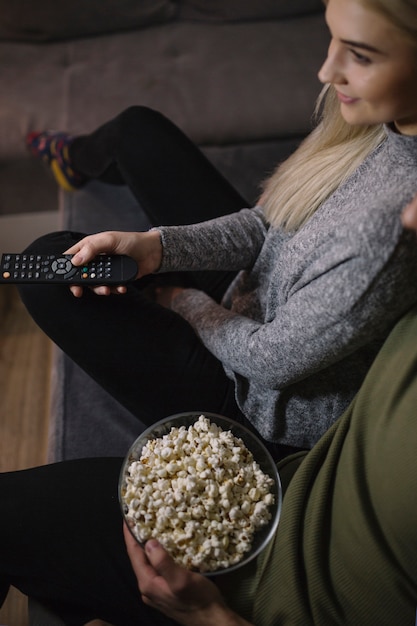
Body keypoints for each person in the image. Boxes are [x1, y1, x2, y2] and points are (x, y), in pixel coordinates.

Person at [1, 2, 417, 623]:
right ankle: (73, 159)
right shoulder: (372, 121)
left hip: (261, 405)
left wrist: (178, 300)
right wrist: (158, 248)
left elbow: (273, 359)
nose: (326, 70)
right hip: (261, 293)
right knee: (138, 132)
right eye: (332, 40)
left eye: (359, 54)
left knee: (47, 276)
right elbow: (268, 222)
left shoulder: (392, 230)